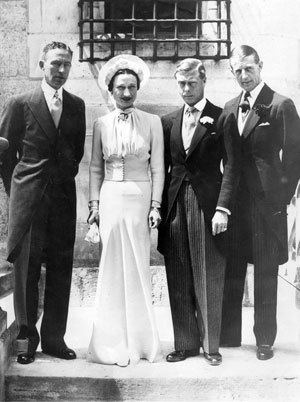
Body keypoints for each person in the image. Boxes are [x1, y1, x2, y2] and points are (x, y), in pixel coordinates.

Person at [0, 41, 86, 364]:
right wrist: (19, 190)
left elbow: (75, 153)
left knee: (61, 269)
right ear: (41, 64)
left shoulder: (76, 105)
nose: (61, 70)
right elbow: (5, 157)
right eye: (55, 64)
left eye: (66, 64)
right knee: (26, 273)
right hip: (29, 202)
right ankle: (25, 343)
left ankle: (54, 339)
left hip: (63, 200)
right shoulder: (20, 103)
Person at [158, 58, 240, 365]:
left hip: (208, 204)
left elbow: (232, 166)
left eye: (192, 82)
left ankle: (210, 346)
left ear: (204, 81)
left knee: (208, 272)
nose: (186, 89)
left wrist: (223, 209)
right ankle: (185, 343)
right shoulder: (168, 121)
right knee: (178, 272)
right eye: (181, 83)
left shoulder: (222, 118)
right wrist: (159, 208)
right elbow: (163, 168)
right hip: (176, 203)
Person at [220, 45, 300, 360]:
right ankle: (228, 337)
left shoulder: (281, 105)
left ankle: (264, 340)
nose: (243, 76)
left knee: (265, 272)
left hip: (267, 205)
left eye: (248, 69)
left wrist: (280, 196)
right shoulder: (228, 107)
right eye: (237, 71)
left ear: (260, 66)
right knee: (233, 268)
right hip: (235, 205)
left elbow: (295, 159)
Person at [87, 54, 164, 367]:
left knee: (137, 267)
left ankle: (141, 341)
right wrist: (94, 205)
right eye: (121, 87)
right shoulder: (101, 124)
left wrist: (155, 205)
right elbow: (94, 168)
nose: (127, 93)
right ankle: (111, 341)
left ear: (138, 89)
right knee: (112, 266)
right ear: (110, 89)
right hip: (110, 199)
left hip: (140, 197)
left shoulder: (152, 122)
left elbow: (158, 168)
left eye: (132, 87)